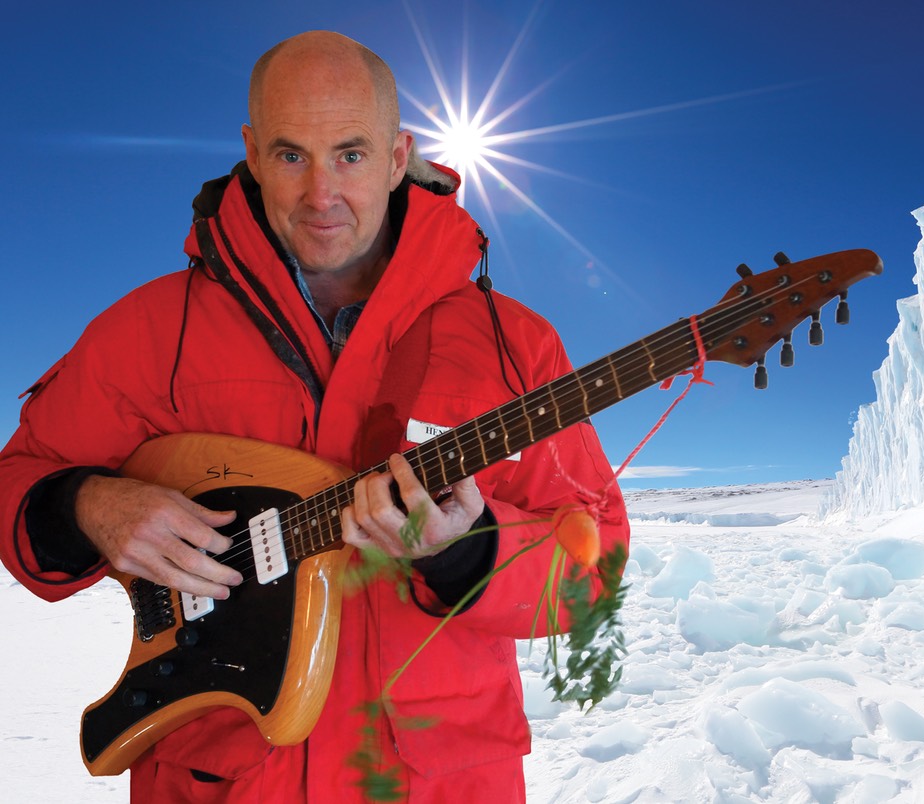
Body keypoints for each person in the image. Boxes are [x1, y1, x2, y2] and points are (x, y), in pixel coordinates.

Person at [0, 31, 628, 802]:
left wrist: (468, 553)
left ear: (400, 157)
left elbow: (595, 572)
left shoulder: (515, 343)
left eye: (352, 155)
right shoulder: (150, 332)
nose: (321, 195)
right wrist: (89, 504)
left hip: (438, 783)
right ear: (253, 153)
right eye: (292, 155)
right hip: (219, 782)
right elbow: (17, 482)